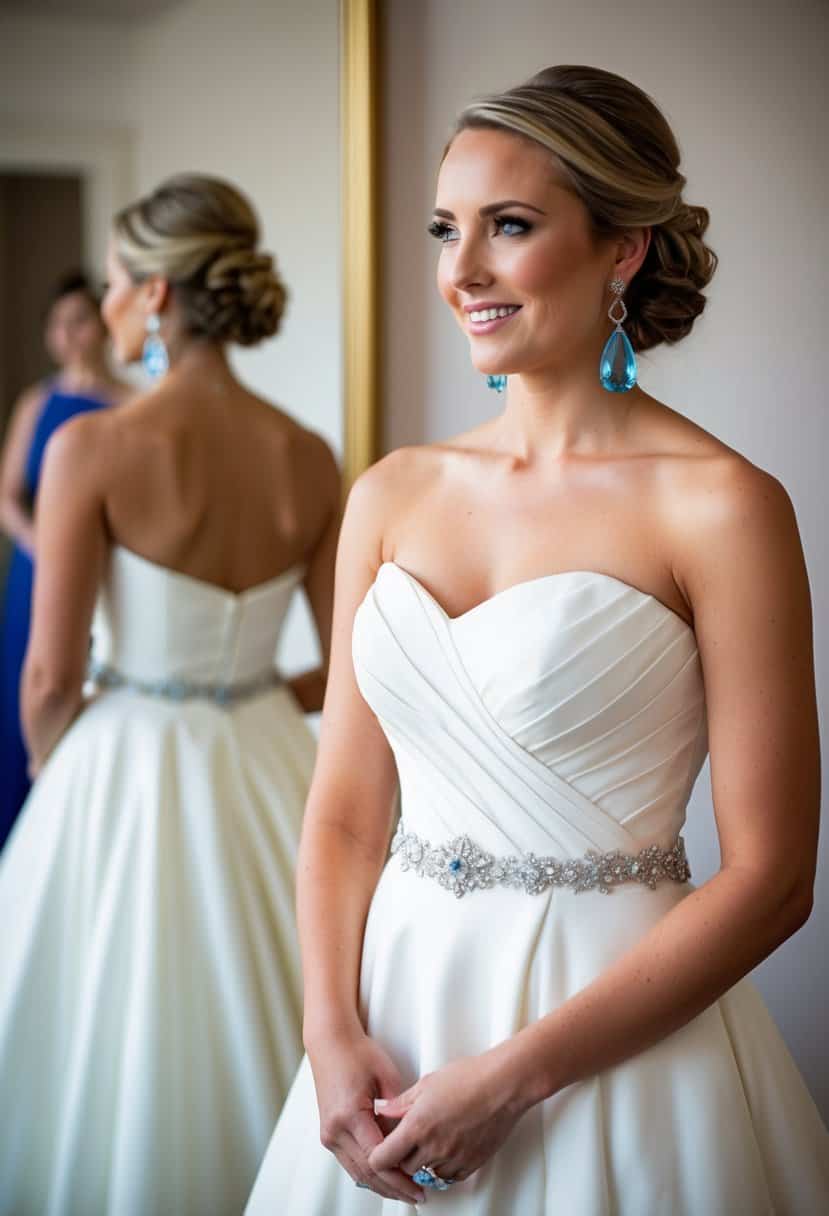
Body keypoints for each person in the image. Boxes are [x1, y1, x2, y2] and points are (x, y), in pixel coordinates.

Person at [246, 66, 829, 1214]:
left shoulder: (722, 506)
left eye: (508, 227)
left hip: (613, 1041)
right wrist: (328, 1030)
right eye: (445, 229)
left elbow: (771, 880)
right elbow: (347, 812)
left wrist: (517, 1077)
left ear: (622, 249)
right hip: (397, 1015)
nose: (460, 271)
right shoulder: (392, 492)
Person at [0, 174, 340, 1216]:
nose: (103, 305)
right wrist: (249, 695)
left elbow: (52, 673)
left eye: (110, 282)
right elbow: (347, 666)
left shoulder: (91, 447)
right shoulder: (309, 456)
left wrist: (55, 762)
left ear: (154, 296)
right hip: (272, 757)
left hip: (125, 758)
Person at [0, 272, 131, 847]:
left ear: (100, 326)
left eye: (79, 320)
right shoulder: (37, 402)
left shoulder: (128, 406)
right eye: (58, 324)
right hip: (34, 570)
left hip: (101, 573)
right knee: (23, 690)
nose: (69, 334)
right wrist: (39, 543)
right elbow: (6, 495)